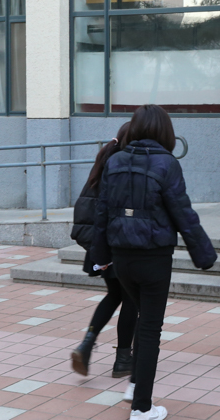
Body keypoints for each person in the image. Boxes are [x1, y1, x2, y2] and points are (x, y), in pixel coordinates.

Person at [92, 104, 217, 420]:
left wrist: (100, 257)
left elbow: (102, 211)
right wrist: (204, 254)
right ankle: (142, 407)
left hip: (122, 258)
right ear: (165, 131)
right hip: (154, 258)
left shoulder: (115, 160)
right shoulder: (167, 164)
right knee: (149, 328)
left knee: (144, 321)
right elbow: (183, 212)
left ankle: (136, 387)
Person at [70, 122, 137, 378]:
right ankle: (123, 359)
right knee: (130, 299)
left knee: (114, 295)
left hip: (100, 245)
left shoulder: (105, 159)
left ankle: (87, 344)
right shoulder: (122, 165)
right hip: (116, 245)